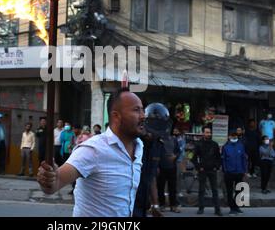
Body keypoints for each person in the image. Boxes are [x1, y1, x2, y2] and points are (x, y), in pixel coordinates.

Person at [37, 88, 145, 217]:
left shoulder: (139, 147)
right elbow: (55, 183)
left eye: (142, 109)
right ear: (116, 116)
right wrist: (49, 178)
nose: (143, 116)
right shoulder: (93, 149)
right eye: (136, 110)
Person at [133, 103, 167, 218]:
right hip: (128, 201)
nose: (150, 137)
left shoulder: (158, 145)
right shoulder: (133, 142)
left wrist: (155, 204)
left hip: (143, 203)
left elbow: (151, 177)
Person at [192, 126, 222, 216]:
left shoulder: (214, 144)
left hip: (212, 170)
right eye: (206, 132)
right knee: (201, 190)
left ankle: (217, 209)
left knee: (215, 190)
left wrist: (216, 167)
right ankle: (201, 208)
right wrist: (198, 167)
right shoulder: (199, 144)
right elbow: (193, 158)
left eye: (209, 132)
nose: (208, 134)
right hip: (203, 170)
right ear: (203, 133)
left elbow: (218, 158)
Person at [222, 130, 247, 216]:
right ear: (229, 137)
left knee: (238, 190)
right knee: (229, 191)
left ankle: (236, 207)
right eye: (232, 136)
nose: (234, 137)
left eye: (235, 136)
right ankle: (232, 208)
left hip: (239, 172)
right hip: (229, 172)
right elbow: (223, 160)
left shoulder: (241, 146)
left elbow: (244, 158)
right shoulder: (225, 147)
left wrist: (244, 170)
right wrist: (225, 170)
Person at [157, 129, 181, 213]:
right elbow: (156, 152)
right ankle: (162, 205)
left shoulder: (174, 139)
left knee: (173, 187)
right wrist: (157, 166)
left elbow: (178, 151)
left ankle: (173, 205)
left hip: (172, 167)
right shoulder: (159, 139)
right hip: (161, 166)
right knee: (161, 187)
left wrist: (175, 156)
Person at [173, 127, 186, 198]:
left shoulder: (181, 138)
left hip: (179, 160)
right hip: (172, 160)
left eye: (176, 131)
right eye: (174, 131)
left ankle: (179, 191)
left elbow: (181, 148)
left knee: (178, 176)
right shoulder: (171, 138)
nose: (175, 132)